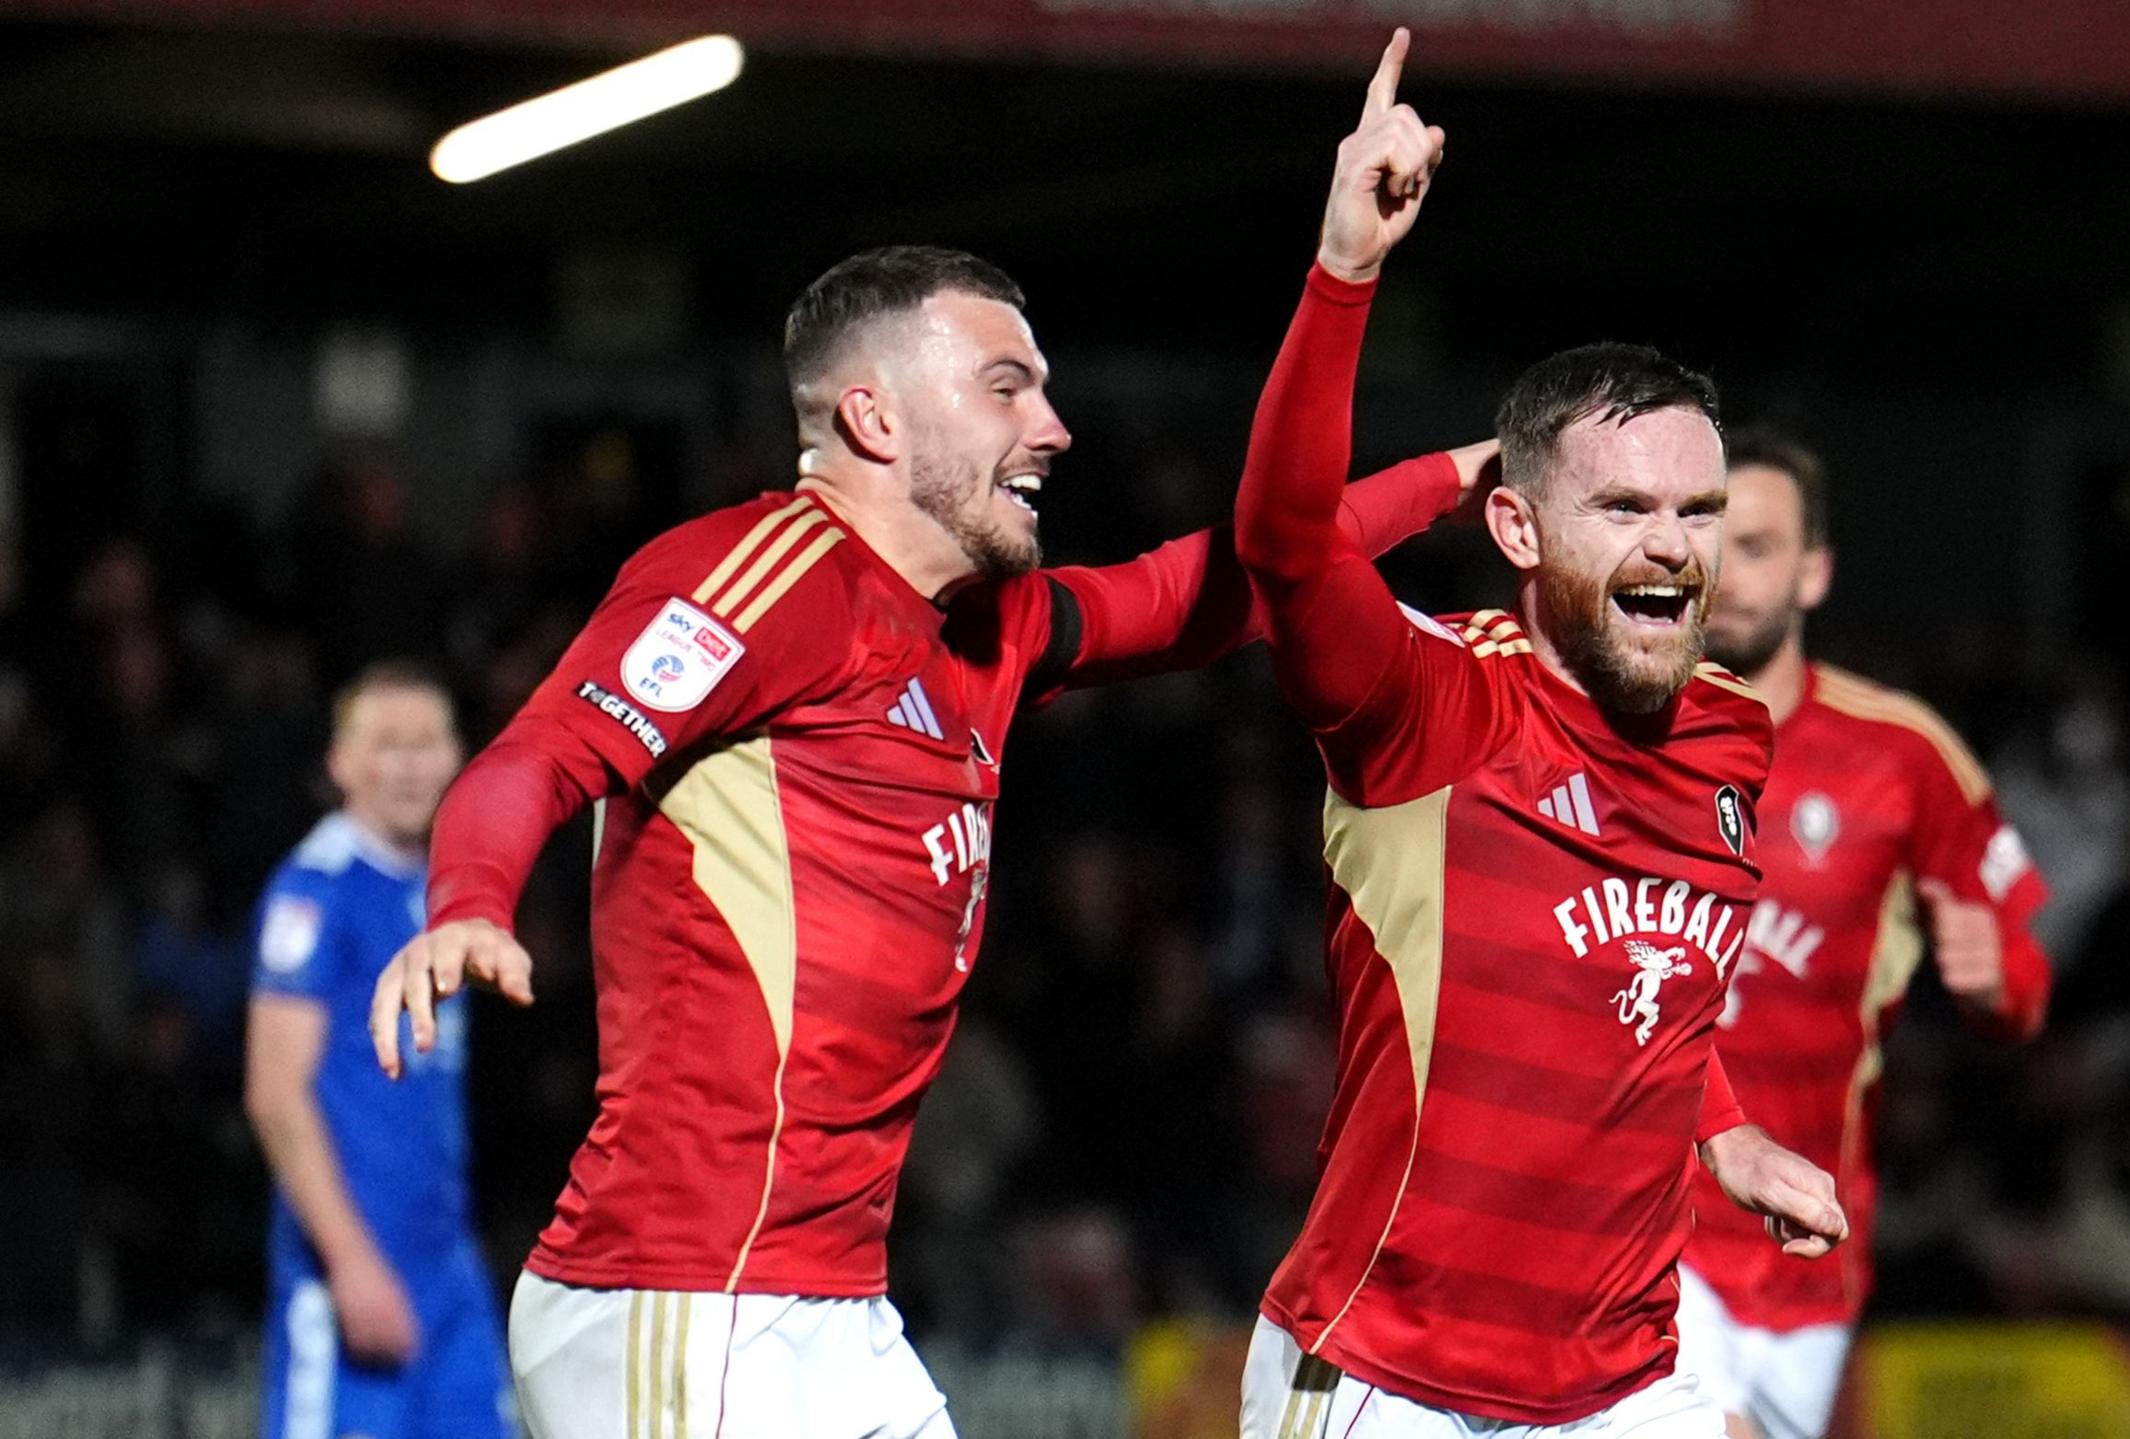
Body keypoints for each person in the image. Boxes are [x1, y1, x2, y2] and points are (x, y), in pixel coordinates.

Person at [366, 244, 1482, 1439]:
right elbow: (537, 755)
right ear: (872, 415)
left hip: (832, 1303)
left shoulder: (986, 627)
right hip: (686, 1294)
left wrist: (1444, 476)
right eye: (1006, 386)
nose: (1052, 426)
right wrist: (469, 900)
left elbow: (1218, 585)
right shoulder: (769, 579)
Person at [1231, 32, 1847, 1437]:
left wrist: (1727, 1128)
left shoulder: (1731, 737)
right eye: (1624, 509)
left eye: (1697, 514)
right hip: (1387, 1372)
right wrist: (1345, 271)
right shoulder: (1429, 706)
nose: (1675, 547)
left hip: (1624, 1378)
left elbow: (1656, 969)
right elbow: (1281, 543)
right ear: (1516, 525)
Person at [1677, 430, 2054, 1439]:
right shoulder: (1621, 732)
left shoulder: (1903, 756)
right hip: (1646, 1228)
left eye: (1755, 545)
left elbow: (2021, 979)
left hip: (1810, 1250)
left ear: (1815, 570)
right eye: (1709, 542)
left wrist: (1993, 985)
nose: (1724, 572)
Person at [244, 662, 512, 1439]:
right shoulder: (317, 888)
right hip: (350, 1276)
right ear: (342, 762)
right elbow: (274, 1093)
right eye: (388, 744)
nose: (411, 764)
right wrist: (352, 1264)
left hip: (447, 1273)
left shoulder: (443, 890)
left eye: (428, 741)